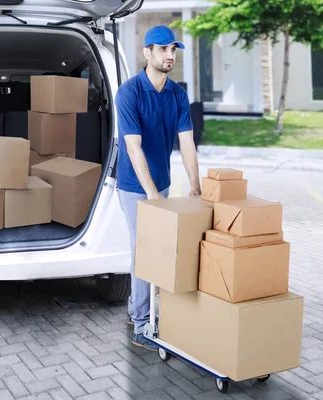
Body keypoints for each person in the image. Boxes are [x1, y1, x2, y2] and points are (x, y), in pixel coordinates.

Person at [115, 25, 202, 351]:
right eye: (163, 49)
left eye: (173, 50)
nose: (170, 55)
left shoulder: (178, 94)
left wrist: (195, 185)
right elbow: (134, 148)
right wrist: (151, 195)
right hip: (134, 185)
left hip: (161, 184)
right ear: (147, 53)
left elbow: (187, 143)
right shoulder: (130, 92)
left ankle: (133, 309)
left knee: (150, 249)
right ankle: (142, 325)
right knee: (145, 249)